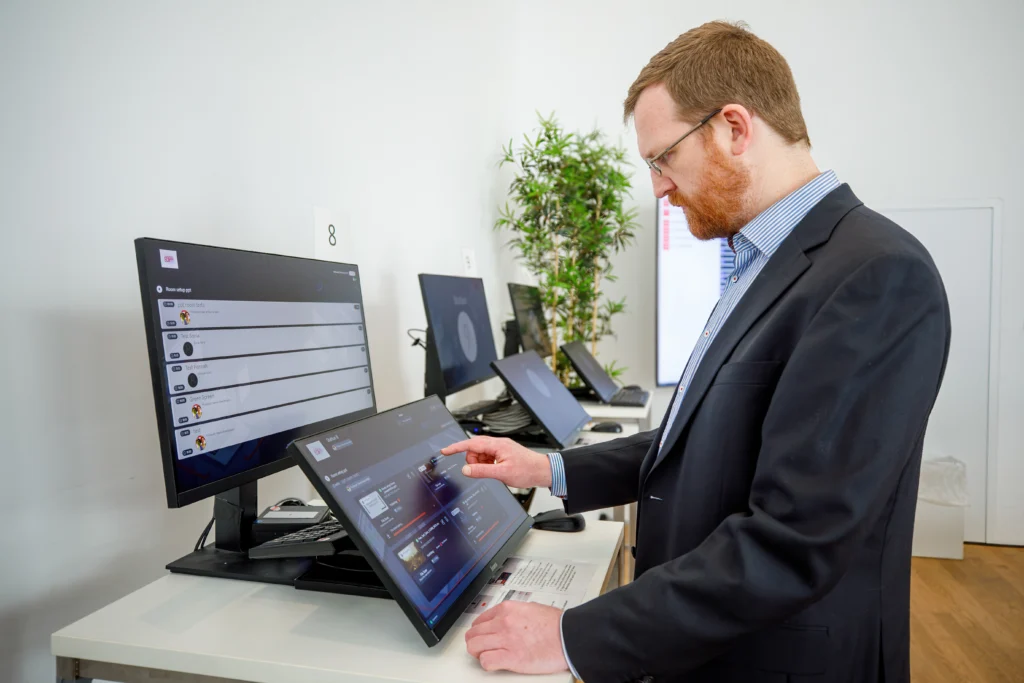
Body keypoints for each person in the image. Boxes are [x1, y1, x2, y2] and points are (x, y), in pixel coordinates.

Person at [441, 20, 951, 683]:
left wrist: (572, 634)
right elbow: (698, 442)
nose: (656, 187)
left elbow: (791, 543)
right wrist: (547, 468)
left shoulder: (876, 274)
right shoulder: (757, 264)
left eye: (662, 158)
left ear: (735, 128)